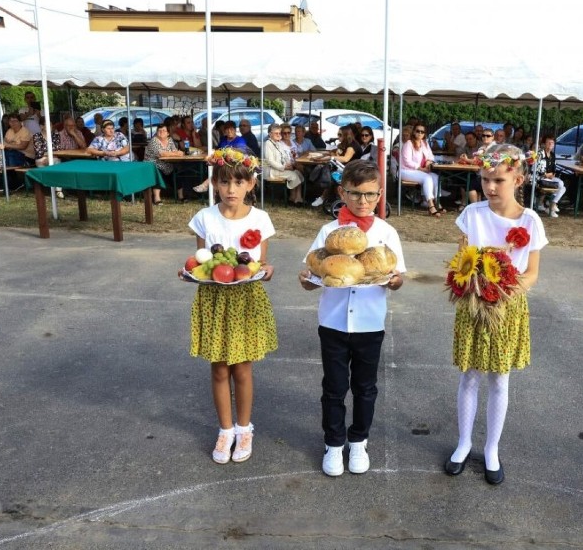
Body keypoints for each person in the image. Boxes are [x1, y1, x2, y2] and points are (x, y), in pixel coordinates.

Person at [445, 146, 547, 486]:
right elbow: (462, 257)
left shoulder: (529, 220)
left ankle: (492, 448)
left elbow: (531, 272)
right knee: (469, 375)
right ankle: (463, 443)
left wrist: (504, 291)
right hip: (474, 302)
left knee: (499, 378)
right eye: (486, 179)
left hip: (505, 305)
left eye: (499, 180)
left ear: (517, 180)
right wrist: (470, 284)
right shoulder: (472, 214)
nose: (491, 187)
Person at [298, 159, 406, 476]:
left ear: (380, 194)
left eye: (370, 195)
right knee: (333, 387)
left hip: (370, 325)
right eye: (355, 194)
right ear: (342, 193)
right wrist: (306, 280)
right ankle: (333, 444)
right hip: (332, 323)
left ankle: (358, 441)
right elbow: (313, 272)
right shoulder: (329, 232)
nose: (363, 201)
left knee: (365, 387)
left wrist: (396, 281)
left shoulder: (386, 234)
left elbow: (396, 277)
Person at [186, 148, 278, 465]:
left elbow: (260, 264)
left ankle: (244, 427)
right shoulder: (204, 219)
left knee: (242, 368)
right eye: (224, 182)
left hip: (245, 299)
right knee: (219, 368)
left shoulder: (261, 219)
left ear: (251, 184)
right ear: (214, 183)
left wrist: (267, 270)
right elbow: (202, 263)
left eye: (239, 182)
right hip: (214, 299)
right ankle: (225, 430)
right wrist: (189, 273)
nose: (231, 189)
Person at [401, 123, 443, 217]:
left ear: (424, 134)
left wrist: (428, 161)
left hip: (421, 170)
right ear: (414, 132)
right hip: (406, 170)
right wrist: (421, 168)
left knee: (435, 177)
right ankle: (430, 205)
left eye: (422, 132)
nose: (420, 133)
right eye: (417, 131)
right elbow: (407, 161)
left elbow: (431, 156)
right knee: (427, 178)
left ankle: (437, 202)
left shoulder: (425, 143)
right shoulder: (409, 143)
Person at [263, 123, 304, 205]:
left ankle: (295, 197)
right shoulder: (268, 143)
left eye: (279, 133)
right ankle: (294, 198)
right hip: (271, 171)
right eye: (276, 133)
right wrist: (284, 167)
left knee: (298, 173)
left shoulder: (277, 143)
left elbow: (285, 156)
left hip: (279, 169)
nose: (278, 135)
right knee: (294, 175)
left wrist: (289, 164)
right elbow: (270, 161)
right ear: (270, 134)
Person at [145, 125, 184, 204]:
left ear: (168, 133)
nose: (161, 132)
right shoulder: (154, 141)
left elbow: (175, 150)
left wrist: (176, 153)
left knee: (175, 174)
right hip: (153, 165)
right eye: (159, 130)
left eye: (163, 130)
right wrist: (176, 154)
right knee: (158, 174)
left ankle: (181, 197)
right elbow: (161, 154)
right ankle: (157, 198)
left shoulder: (169, 140)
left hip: (167, 164)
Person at [532, 135, 565, 217]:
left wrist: (552, 174)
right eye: (548, 142)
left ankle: (552, 204)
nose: (551, 144)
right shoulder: (539, 154)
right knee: (561, 184)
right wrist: (546, 174)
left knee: (563, 187)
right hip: (540, 178)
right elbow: (535, 168)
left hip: (550, 178)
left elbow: (554, 169)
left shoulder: (553, 155)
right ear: (544, 144)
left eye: (552, 142)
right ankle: (551, 204)